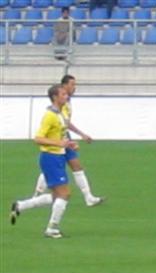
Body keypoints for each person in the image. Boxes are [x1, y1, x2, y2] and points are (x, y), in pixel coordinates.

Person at [10, 85, 77, 238]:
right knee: (65, 194)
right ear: (55, 97)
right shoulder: (50, 115)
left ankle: (21, 205)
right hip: (51, 158)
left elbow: (58, 135)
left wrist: (68, 143)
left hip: (57, 157)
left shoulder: (60, 112)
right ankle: (52, 228)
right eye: (63, 94)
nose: (66, 96)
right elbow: (38, 138)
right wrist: (59, 144)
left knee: (56, 196)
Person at [33, 75, 104, 207]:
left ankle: (88, 197)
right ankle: (36, 196)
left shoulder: (67, 103)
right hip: (60, 140)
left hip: (65, 138)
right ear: (64, 86)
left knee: (76, 166)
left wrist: (81, 134)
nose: (74, 87)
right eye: (71, 84)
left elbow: (66, 123)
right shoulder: (60, 106)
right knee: (52, 168)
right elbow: (58, 125)